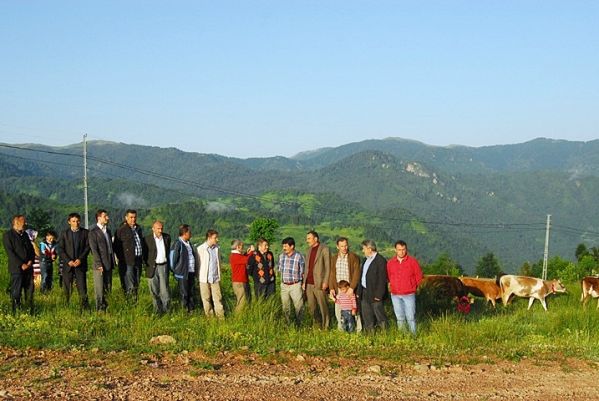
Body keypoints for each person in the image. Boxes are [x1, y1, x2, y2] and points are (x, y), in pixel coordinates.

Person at [386, 240, 423, 334]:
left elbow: (419, 276)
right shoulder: (390, 263)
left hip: (409, 294)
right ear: (395, 250)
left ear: (406, 249)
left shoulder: (412, 262)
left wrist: (413, 286)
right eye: (399, 250)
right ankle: (402, 335)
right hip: (395, 294)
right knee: (399, 317)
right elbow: (389, 276)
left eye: (403, 249)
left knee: (410, 317)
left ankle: (413, 336)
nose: (401, 252)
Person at [3, 214, 36, 314]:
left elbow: (31, 250)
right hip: (17, 269)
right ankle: (16, 311)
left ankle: (30, 311)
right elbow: (10, 253)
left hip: (29, 268)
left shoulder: (25, 235)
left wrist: (30, 261)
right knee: (16, 292)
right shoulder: (8, 235)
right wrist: (21, 264)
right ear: (16, 223)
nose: (25, 224)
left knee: (30, 291)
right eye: (23, 222)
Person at [329, 237, 362, 331]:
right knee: (339, 311)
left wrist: (352, 288)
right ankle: (342, 330)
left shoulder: (353, 257)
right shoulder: (334, 258)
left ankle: (358, 330)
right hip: (339, 289)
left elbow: (356, 273)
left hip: (349, 288)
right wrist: (331, 288)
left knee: (354, 310)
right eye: (342, 246)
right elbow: (332, 274)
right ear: (337, 247)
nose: (344, 248)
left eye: (346, 245)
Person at [58, 213, 90, 309]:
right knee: (67, 288)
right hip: (68, 265)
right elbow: (60, 249)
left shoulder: (85, 233)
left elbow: (87, 247)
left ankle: (84, 307)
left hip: (80, 264)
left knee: (82, 288)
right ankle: (66, 307)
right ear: (69, 222)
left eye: (77, 221)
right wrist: (68, 261)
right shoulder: (64, 233)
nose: (76, 223)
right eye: (73, 221)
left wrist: (80, 259)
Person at [113, 209, 146, 300]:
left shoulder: (138, 229)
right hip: (127, 262)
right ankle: (130, 303)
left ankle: (135, 302)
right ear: (126, 218)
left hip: (138, 260)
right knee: (129, 284)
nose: (133, 219)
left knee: (137, 283)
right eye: (131, 217)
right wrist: (122, 259)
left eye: (135, 217)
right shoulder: (121, 230)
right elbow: (116, 246)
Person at [357, 239, 388, 331]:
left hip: (375, 293)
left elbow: (382, 279)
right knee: (367, 316)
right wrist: (359, 291)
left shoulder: (380, 260)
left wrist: (379, 295)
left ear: (370, 249)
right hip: (364, 292)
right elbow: (361, 276)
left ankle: (385, 335)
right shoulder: (365, 260)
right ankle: (370, 335)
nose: (363, 251)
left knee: (380, 315)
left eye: (364, 248)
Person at [88, 209, 115, 312]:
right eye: (105, 216)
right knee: (99, 289)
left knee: (108, 287)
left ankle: (107, 308)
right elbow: (94, 250)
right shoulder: (93, 232)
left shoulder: (107, 231)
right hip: (99, 264)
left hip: (109, 262)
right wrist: (99, 264)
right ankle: (99, 310)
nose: (107, 218)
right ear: (99, 218)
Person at [304, 231, 330, 329]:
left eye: (309, 238)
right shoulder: (308, 250)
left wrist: (326, 281)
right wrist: (304, 282)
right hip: (309, 284)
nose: (307, 241)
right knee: (312, 307)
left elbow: (328, 267)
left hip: (319, 282)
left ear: (315, 239)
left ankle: (326, 326)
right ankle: (317, 326)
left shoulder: (324, 249)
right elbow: (306, 267)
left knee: (323, 307)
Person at [144, 220, 171, 315]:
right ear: (153, 229)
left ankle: (167, 311)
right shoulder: (147, 239)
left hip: (163, 266)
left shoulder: (167, 237)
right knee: (154, 290)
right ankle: (157, 311)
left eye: (161, 228)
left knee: (165, 290)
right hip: (152, 267)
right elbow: (144, 254)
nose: (160, 230)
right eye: (158, 228)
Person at [171, 224, 198, 313]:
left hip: (190, 272)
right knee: (184, 293)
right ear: (185, 233)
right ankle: (184, 311)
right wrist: (176, 271)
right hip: (182, 273)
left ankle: (191, 310)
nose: (191, 234)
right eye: (189, 232)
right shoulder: (178, 244)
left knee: (191, 292)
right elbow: (173, 259)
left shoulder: (188, 243)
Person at [197, 230, 224, 318]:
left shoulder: (217, 249)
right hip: (204, 279)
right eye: (215, 238)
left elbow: (219, 262)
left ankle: (221, 318)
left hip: (215, 278)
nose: (217, 239)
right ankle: (210, 318)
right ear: (209, 238)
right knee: (206, 299)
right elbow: (198, 263)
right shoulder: (200, 249)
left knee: (218, 299)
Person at [278, 237, 305, 326]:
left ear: (292, 246)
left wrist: (302, 283)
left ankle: (300, 325)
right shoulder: (281, 256)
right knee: (285, 306)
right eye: (283, 246)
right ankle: (287, 324)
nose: (284, 248)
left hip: (295, 285)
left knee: (298, 306)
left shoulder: (299, 256)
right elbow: (280, 270)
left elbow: (303, 271)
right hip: (284, 285)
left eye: (286, 246)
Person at [229, 239, 254, 313]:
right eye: (241, 246)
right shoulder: (235, 256)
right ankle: (238, 318)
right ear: (238, 247)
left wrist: (247, 252)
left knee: (246, 300)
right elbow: (247, 260)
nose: (242, 248)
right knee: (242, 302)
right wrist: (252, 252)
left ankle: (243, 316)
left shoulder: (237, 256)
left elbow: (243, 259)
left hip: (242, 281)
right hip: (239, 282)